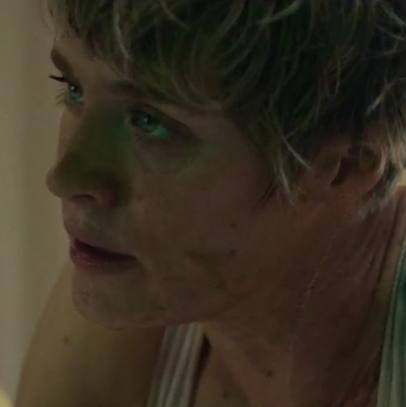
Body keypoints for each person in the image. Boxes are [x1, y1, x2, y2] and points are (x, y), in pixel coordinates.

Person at [15, 1, 406, 406]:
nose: (64, 178)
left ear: (344, 168)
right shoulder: (132, 282)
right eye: (73, 88)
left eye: (151, 122)